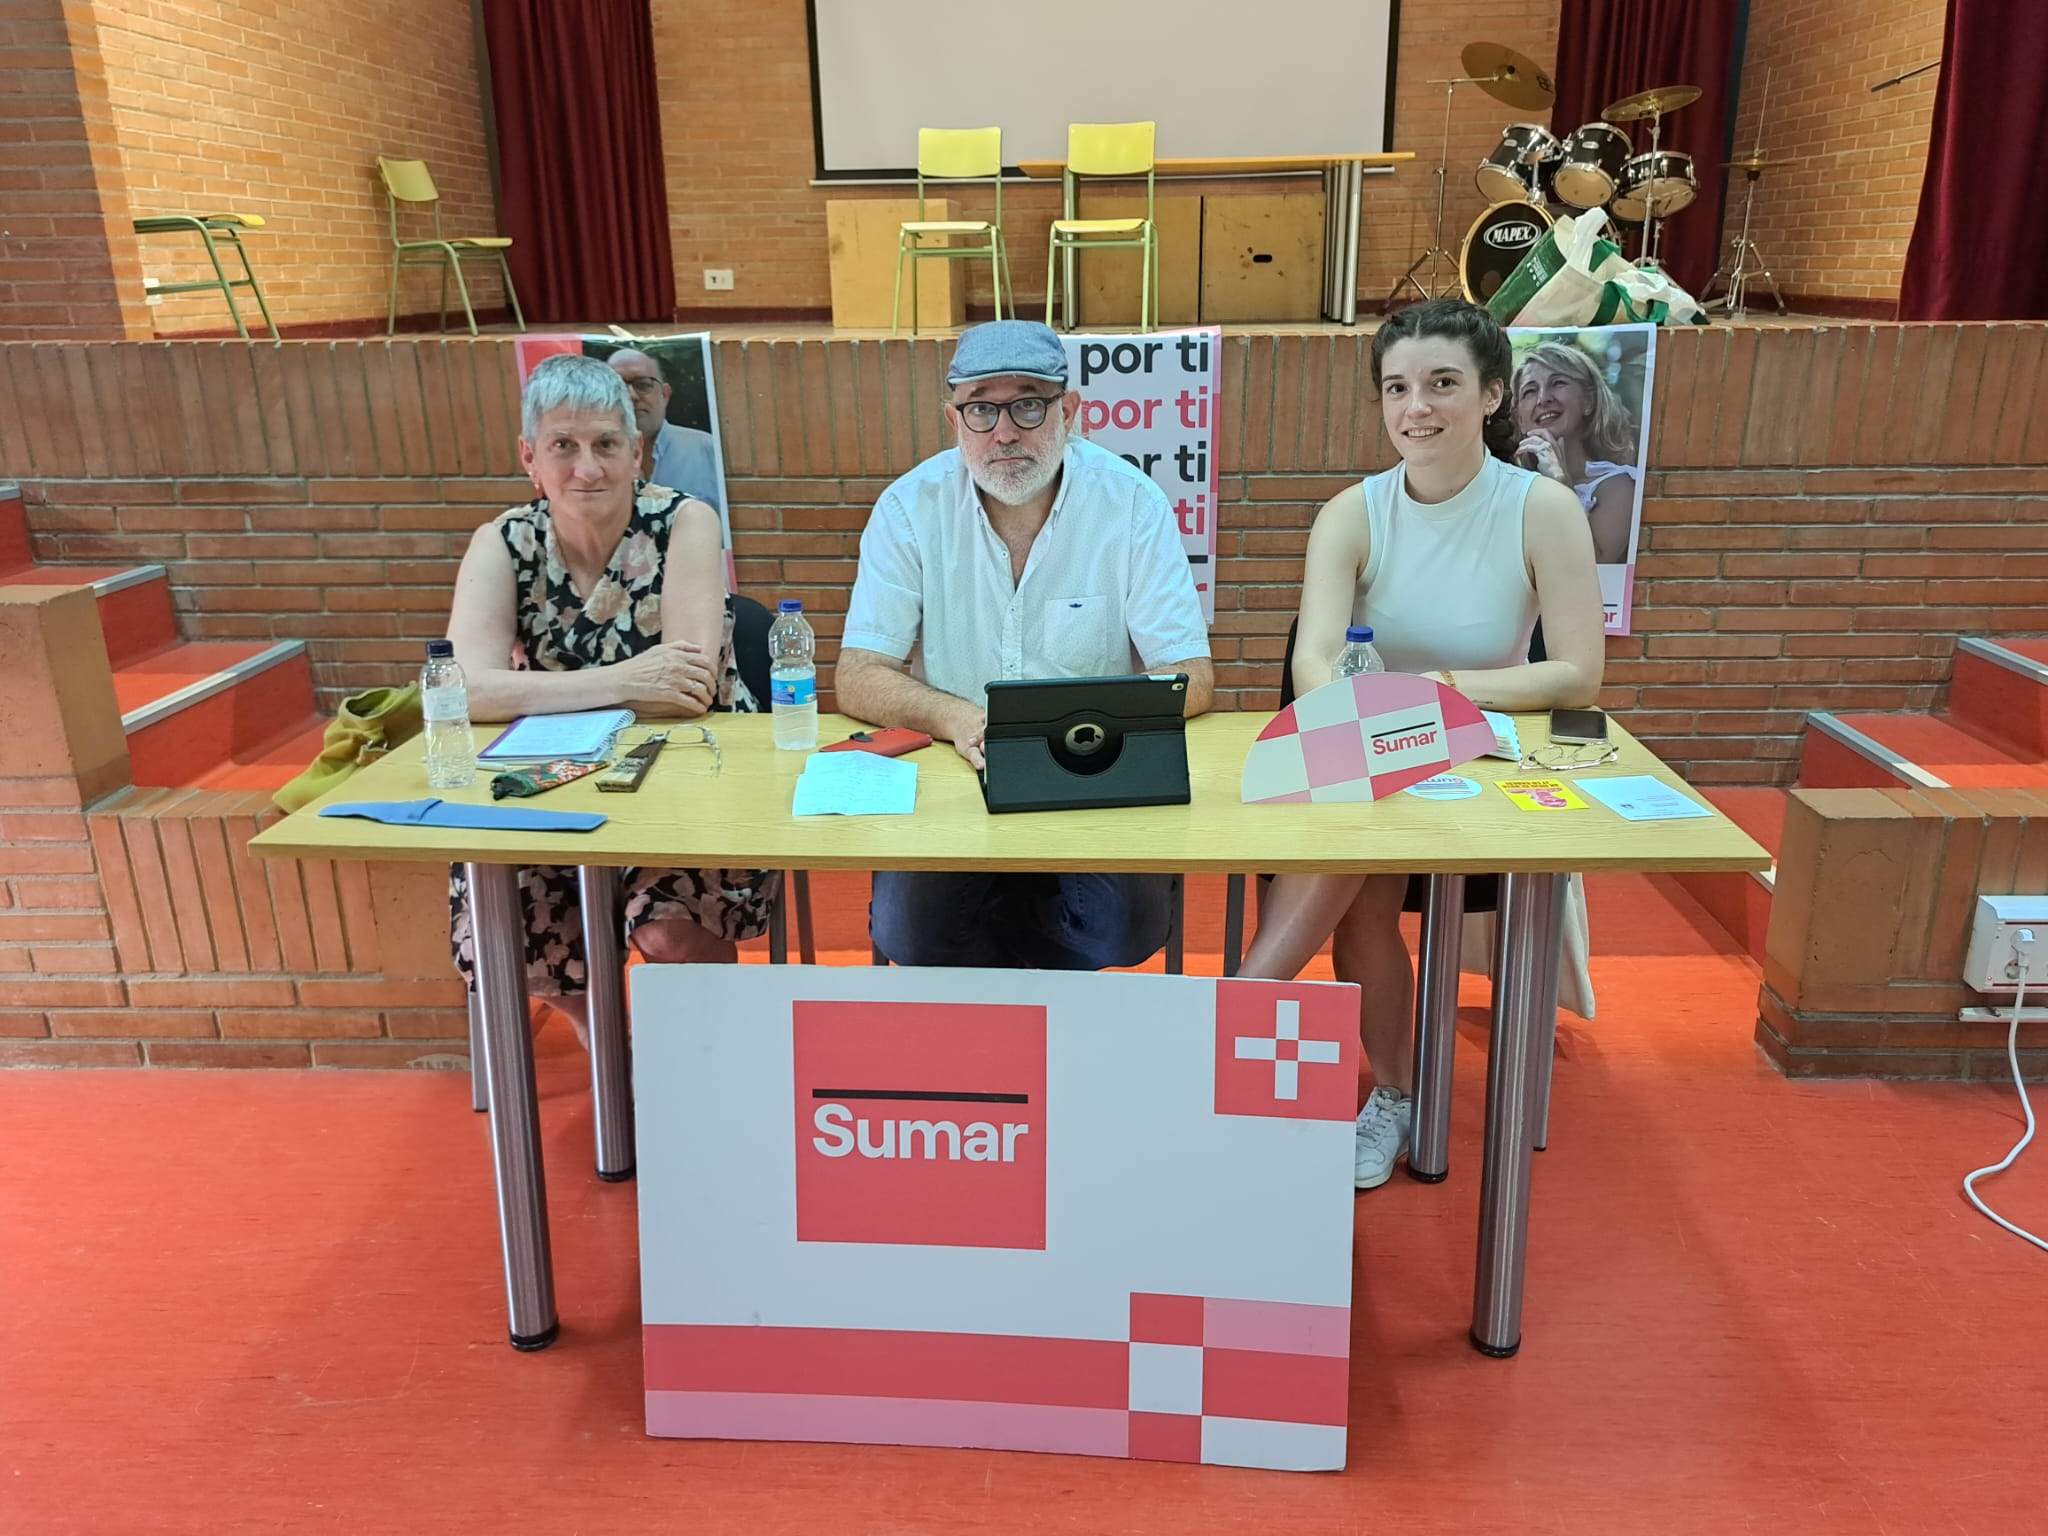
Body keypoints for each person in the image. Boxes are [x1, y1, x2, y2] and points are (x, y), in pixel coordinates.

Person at [1240, 299, 1604, 1189]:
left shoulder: (1543, 509)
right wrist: (1367, 722)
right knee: (1361, 872)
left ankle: (1230, 1016)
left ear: (1492, 394)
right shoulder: (1352, 512)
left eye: (1442, 383)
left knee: (1357, 852)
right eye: (1397, 388)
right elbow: (1314, 660)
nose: (1417, 408)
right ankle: (1390, 1089)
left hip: (1476, 751)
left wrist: (1441, 690)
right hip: (1370, 745)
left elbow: (1576, 676)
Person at [836, 319, 1213, 970]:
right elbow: (859, 673)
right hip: (957, 772)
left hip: (1091, 775)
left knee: (1126, 928)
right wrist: (958, 719)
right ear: (954, 420)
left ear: (1070, 411)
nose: (1004, 432)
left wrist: (1082, 725)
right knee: (909, 933)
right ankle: (1013, 999)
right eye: (981, 408)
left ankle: (1023, 993)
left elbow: (1190, 675)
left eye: (1028, 405)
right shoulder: (909, 508)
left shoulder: (1131, 504)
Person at [444, 353, 774, 1035]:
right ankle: (611, 1047)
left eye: (606, 445)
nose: (587, 468)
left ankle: (704, 1057)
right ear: (530, 458)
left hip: (691, 777)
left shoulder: (686, 522)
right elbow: (461, 692)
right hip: (550, 782)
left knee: (670, 930)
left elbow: (686, 689)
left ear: (636, 453)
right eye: (563, 446)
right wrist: (628, 681)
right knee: (510, 927)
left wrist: (528, 691)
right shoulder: (502, 542)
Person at [1510, 340, 1640, 564]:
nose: (1543, 398)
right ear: (1520, 419)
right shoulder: (1509, 488)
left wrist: (1560, 484)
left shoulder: (1618, 485)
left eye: (1558, 383)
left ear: (1589, 401)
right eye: (1530, 391)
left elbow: (1594, 565)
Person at [606, 346, 727, 516]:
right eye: (617, 387)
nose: (631, 395)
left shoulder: (705, 449)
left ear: (664, 395)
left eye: (643, 385)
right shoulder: (590, 459)